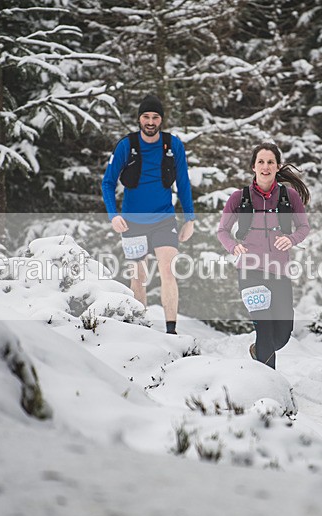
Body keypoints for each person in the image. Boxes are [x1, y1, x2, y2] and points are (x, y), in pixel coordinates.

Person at [102, 94, 196, 334]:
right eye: (146, 117)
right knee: (138, 276)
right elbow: (108, 182)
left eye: (155, 117)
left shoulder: (173, 145)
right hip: (132, 222)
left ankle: (171, 330)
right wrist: (113, 215)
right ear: (139, 119)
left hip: (164, 219)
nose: (151, 122)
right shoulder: (127, 146)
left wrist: (190, 219)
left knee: (168, 270)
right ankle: (141, 330)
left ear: (161, 120)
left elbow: (183, 182)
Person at [217, 142, 310, 369]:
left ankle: (258, 351)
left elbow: (303, 227)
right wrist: (233, 247)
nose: (265, 166)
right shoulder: (239, 198)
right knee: (265, 328)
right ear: (253, 166)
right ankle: (269, 382)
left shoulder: (289, 197)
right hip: (250, 271)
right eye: (261, 162)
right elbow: (222, 231)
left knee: (283, 334)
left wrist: (291, 239)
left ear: (277, 166)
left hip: (279, 271)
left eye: (270, 162)